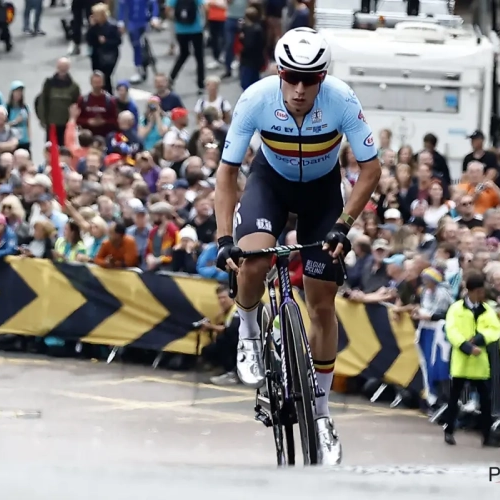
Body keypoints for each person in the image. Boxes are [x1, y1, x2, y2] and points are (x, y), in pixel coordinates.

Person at [214, 27, 380, 465]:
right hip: (271, 184)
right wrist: (223, 238)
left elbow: (370, 170)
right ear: (279, 72)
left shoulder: (342, 100)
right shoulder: (256, 98)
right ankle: (248, 334)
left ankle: (322, 415)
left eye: (312, 80)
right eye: (291, 77)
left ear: (324, 77)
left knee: (322, 302)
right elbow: (227, 173)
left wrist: (344, 225)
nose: (301, 89)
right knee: (251, 263)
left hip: (323, 194)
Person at [443, 272, 500, 448]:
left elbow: (494, 330)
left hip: (479, 360)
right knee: (454, 397)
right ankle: (449, 430)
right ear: (472, 291)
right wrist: (466, 346)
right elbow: (451, 331)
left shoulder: (487, 310)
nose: (483, 295)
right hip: (462, 359)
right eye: (480, 291)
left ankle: (486, 434)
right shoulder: (456, 308)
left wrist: (478, 340)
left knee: (485, 400)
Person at [167, 0, 206, 95]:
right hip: (196, 29)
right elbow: (204, 7)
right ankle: (201, 84)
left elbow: (168, 10)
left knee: (183, 54)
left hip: (180, 29)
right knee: (199, 56)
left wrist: (177, 19)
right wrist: (204, 22)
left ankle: (171, 78)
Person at [86, 3, 122, 95]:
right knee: (97, 76)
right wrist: (92, 27)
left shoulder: (112, 26)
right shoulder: (94, 27)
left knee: (106, 77)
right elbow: (89, 40)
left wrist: (106, 42)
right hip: (97, 55)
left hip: (109, 55)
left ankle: (108, 95)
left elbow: (118, 41)